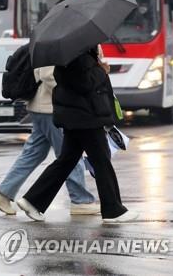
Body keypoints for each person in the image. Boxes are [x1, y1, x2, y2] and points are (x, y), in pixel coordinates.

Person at [16, 46, 138, 223]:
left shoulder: (69, 54)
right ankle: (113, 210)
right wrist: (101, 71)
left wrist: (95, 65)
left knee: (66, 160)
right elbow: (84, 83)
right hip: (85, 116)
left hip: (76, 115)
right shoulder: (78, 55)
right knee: (101, 161)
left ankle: (33, 201)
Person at [0, 60, 99, 216]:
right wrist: (74, 93)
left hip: (43, 107)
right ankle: (80, 200)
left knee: (33, 154)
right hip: (50, 108)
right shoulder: (53, 44)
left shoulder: (51, 42)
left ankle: (3, 194)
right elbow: (47, 75)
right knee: (69, 156)